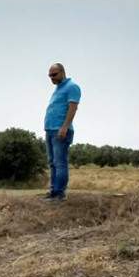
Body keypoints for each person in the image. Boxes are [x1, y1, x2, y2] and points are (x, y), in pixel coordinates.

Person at [43, 63, 81, 202]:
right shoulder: (58, 89)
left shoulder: (72, 87)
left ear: (62, 72)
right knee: (52, 162)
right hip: (50, 130)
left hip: (61, 130)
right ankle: (53, 191)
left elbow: (73, 108)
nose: (52, 78)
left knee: (60, 163)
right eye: (50, 76)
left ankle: (60, 193)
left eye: (54, 75)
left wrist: (64, 127)